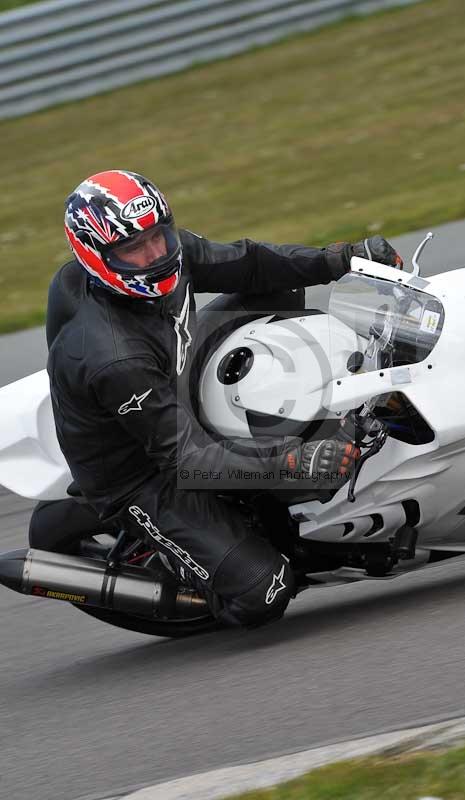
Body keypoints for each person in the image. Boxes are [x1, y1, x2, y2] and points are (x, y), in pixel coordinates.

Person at [44, 169, 402, 629]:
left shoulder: (169, 253)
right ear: (95, 258)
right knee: (265, 590)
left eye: (158, 236)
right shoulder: (113, 356)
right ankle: (210, 576)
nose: (154, 255)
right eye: (133, 249)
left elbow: (249, 262)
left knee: (275, 289)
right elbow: (187, 459)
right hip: (140, 472)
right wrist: (291, 462)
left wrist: (342, 259)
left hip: (172, 376)